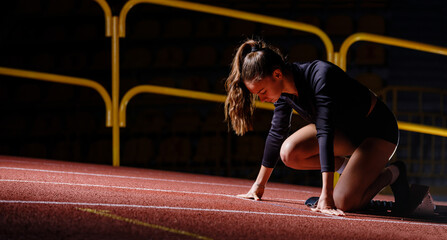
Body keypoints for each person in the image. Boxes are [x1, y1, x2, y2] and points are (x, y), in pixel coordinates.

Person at [224, 39, 410, 216]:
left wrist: (326, 196)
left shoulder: (320, 76)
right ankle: (348, 169)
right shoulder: (283, 94)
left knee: (344, 202)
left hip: (377, 131)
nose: (262, 99)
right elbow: (277, 132)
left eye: (262, 92)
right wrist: (258, 186)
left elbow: (325, 132)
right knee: (289, 153)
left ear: (277, 74)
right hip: (345, 133)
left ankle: (393, 173)